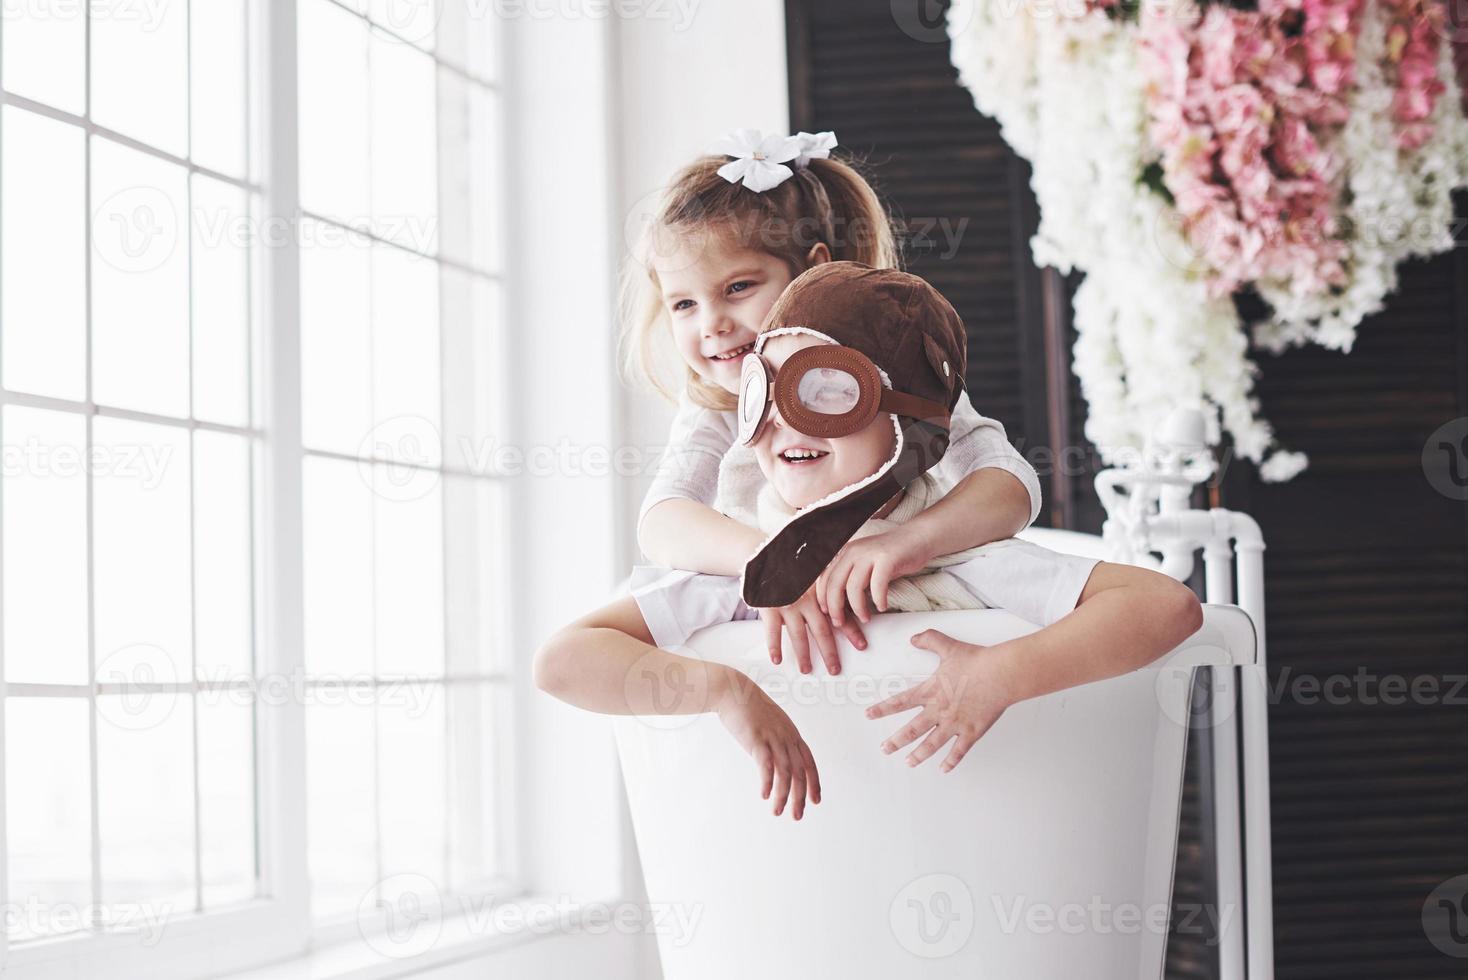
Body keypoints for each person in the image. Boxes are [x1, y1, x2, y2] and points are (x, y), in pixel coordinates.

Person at [536, 263, 1203, 821]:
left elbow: (1167, 608)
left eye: (825, 392)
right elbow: (565, 662)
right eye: (762, 395)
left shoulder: (964, 564)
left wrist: (1002, 673)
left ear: (909, 427)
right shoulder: (742, 582)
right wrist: (721, 689)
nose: (782, 423)